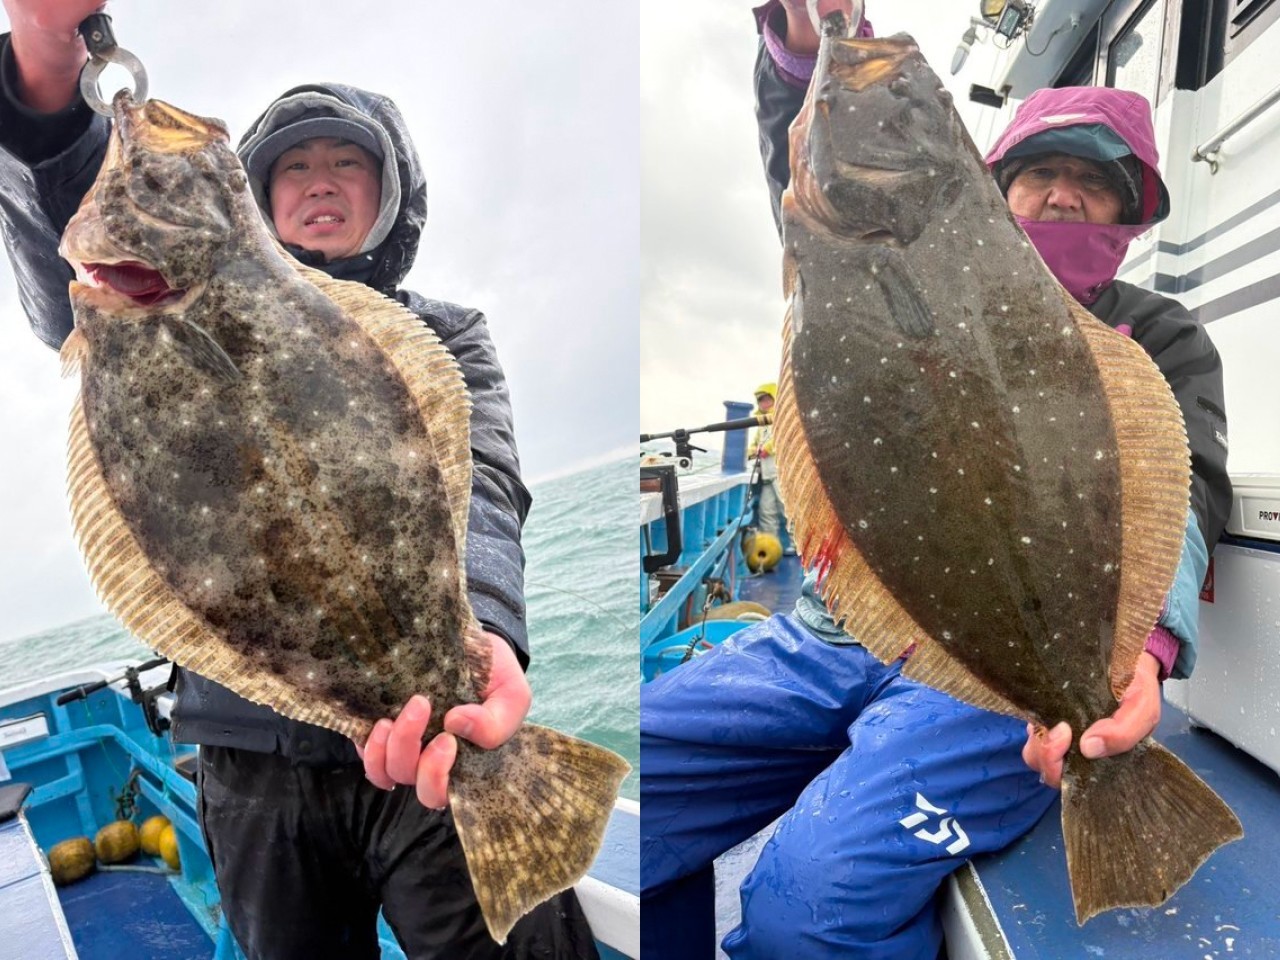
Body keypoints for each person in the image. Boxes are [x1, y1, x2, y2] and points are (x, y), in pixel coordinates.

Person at [0, 3, 598, 958]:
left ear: (391, 190)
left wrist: (485, 644)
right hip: (250, 754)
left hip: (433, 744)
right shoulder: (127, 302)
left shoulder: (446, 334)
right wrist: (43, 58)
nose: (322, 183)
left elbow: (481, 484)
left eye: (347, 163)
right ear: (261, 202)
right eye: (295, 167)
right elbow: (58, 226)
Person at [639, 3, 1232, 958]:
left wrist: (1142, 654)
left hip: (992, 684)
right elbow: (822, 182)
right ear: (991, 185)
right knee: (622, 796)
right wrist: (809, 53)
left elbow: (1187, 492)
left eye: (1095, 182)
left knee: (805, 910)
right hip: (828, 639)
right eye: (1042, 174)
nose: (1065, 197)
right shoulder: (878, 257)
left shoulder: (1158, 336)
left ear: (1131, 213)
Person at [746, 382, 784, 541]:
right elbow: (753, 445)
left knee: (789, 512)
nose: (763, 402)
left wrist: (766, 449)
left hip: (782, 477)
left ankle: (802, 554)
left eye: (766, 398)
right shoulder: (761, 424)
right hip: (767, 477)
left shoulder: (782, 417)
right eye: (760, 400)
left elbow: (782, 438)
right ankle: (771, 550)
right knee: (766, 512)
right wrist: (752, 452)